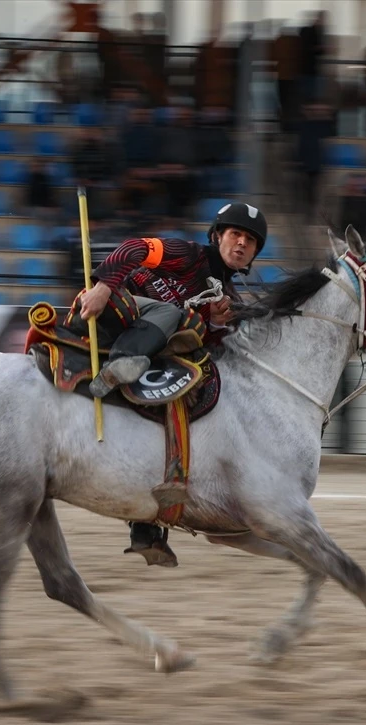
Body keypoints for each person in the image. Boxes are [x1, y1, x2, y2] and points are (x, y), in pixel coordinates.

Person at [73, 201, 268, 566]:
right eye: (235, 234)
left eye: (251, 241)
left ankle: (146, 525)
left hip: (152, 344)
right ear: (217, 236)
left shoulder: (229, 300)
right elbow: (134, 249)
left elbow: (201, 343)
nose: (242, 244)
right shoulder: (187, 254)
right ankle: (118, 368)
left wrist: (215, 324)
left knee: (185, 382)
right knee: (174, 314)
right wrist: (102, 285)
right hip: (113, 310)